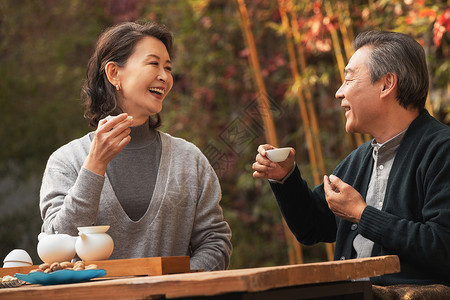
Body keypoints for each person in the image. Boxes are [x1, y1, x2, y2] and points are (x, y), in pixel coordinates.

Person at [252, 30, 450, 285]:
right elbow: (312, 226)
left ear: (387, 84)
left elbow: (443, 246)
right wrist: (286, 178)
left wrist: (361, 214)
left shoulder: (441, 150)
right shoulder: (359, 160)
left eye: (349, 80)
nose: (339, 92)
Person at [40, 21, 232, 271]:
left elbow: (215, 242)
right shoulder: (67, 161)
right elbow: (56, 245)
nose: (164, 76)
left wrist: (177, 285)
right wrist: (94, 166)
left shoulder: (190, 159)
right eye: (153, 64)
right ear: (113, 73)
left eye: (168, 67)